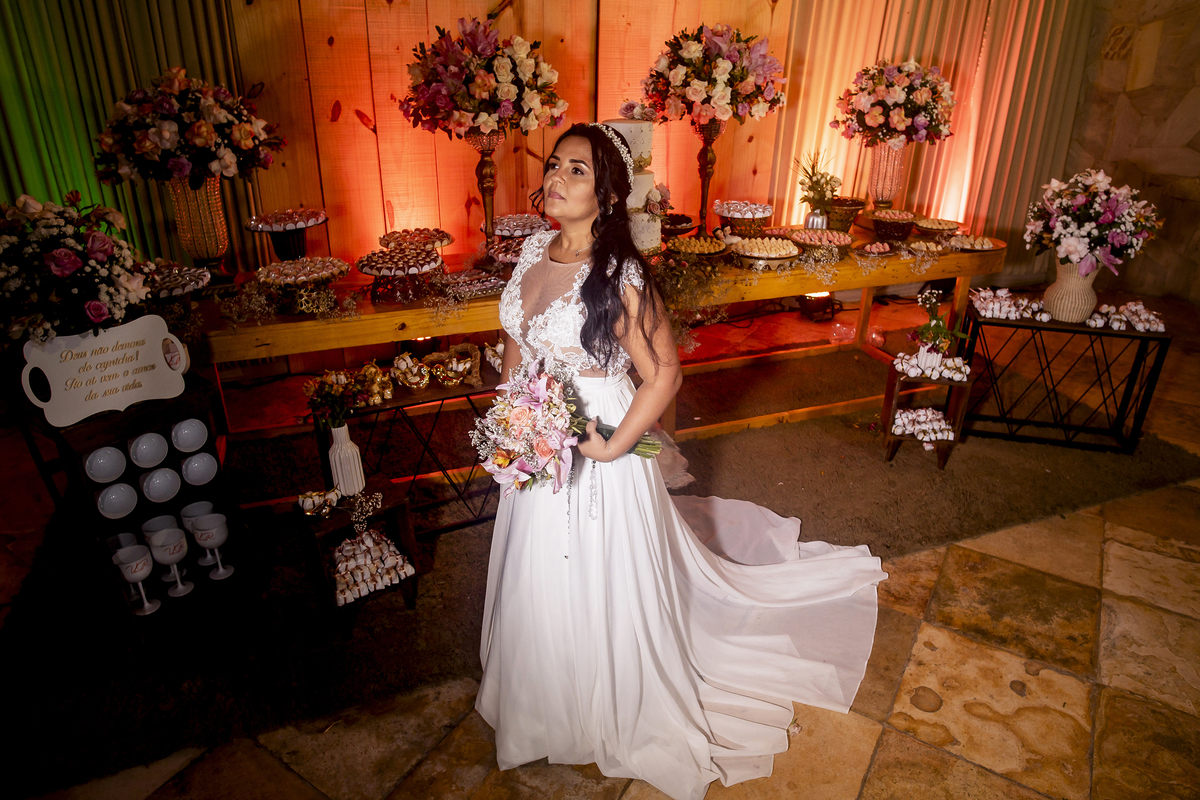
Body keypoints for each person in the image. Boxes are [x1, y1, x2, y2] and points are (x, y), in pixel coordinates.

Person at [476, 122, 887, 800]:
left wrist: (611, 446)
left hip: (600, 431)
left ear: (609, 196)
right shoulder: (528, 253)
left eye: (577, 170)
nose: (556, 178)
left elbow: (664, 373)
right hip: (534, 436)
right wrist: (509, 422)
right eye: (554, 164)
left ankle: (603, 694)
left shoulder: (619, 275)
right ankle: (542, 694)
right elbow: (514, 341)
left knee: (595, 565)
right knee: (538, 562)